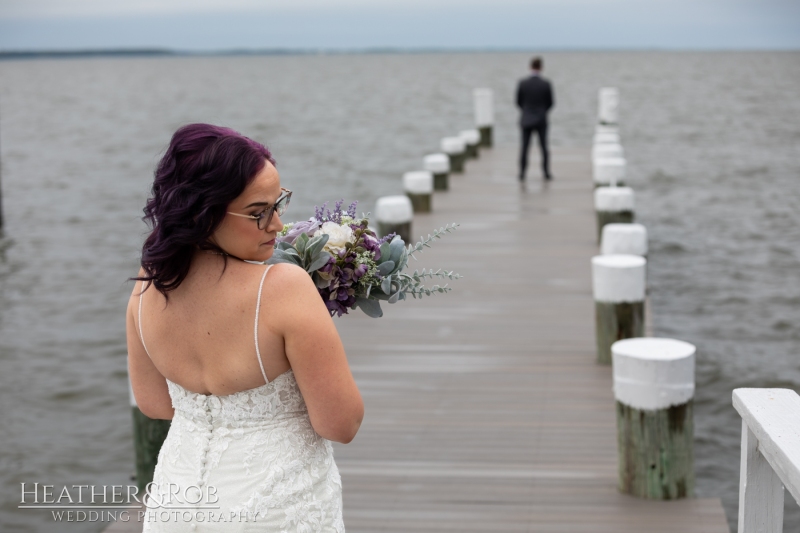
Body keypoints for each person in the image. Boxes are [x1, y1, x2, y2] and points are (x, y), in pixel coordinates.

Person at [127, 123, 363, 532]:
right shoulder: (284, 288)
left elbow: (155, 404)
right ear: (204, 213)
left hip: (176, 504)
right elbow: (341, 424)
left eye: (279, 203)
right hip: (271, 510)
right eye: (258, 213)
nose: (278, 226)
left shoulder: (149, 284)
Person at [516, 56, 554, 181]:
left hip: (526, 118)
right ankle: (546, 173)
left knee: (525, 147)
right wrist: (542, 112)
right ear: (541, 68)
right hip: (541, 119)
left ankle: (522, 173)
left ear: (530, 67)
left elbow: (518, 102)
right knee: (544, 147)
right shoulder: (546, 84)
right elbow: (551, 103)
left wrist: (526, 111)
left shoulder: (523, 83)